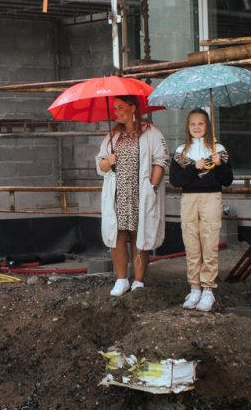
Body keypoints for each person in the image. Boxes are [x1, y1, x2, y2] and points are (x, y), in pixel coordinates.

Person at [96, 96, 169, 296]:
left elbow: (162, 159)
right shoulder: (112, 136)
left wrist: (152, 186)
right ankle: (121, 280)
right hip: (118, 195)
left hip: (140, 193)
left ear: (133, 107)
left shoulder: (150, 132)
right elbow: (100, 165)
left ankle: (138, 280)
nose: (117, 111)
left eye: (121, 107)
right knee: (117, 236)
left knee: (139, 236)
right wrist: (107, 162)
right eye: (114, 108)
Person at [169, 108, 233, 312]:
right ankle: (194, 287)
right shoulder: (181, 152)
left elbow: (227, 180)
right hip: (189, 200)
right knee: (191, 243)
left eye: (201, 123)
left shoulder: (218, 149)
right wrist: (193, 167)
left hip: (211, 199)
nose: (197, 127)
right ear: (187, 127)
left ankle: (208, 289)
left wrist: (219, 164)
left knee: (209, 242)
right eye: (192, 124)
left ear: (208, 126)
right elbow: (175, 180)